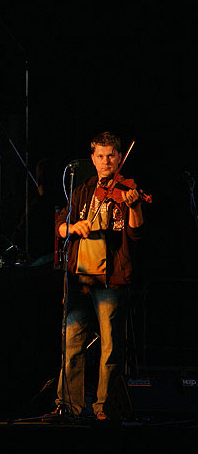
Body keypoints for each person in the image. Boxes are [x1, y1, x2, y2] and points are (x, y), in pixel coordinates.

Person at [53, 131, 144, 421]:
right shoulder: (83, 189)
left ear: (119, 157)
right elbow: (60, 226)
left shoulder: (126, 188)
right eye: (101, 156)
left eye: (111, 156)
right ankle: (68, 404)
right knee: (72, 344)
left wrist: (134, 205)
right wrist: (73, 227)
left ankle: (104, 406)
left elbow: (136, 231)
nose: (106, 162)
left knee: (110, 347)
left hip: (110, 278)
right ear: (92, 159)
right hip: (79, 276)